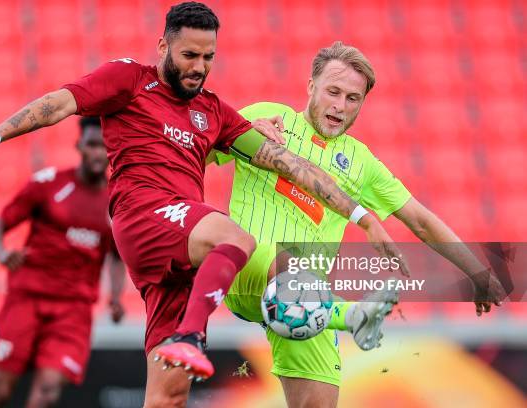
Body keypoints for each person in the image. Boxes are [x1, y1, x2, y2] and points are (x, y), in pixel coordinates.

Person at [0, 3, 402, 406]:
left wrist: (362, 216)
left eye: (208, 58)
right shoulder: (128, 79)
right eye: (189, 55)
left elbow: (292, 165)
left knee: (169, 395)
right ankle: (192, 335)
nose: (199, 67)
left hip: (178, 251)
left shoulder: (215, 112)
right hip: (143, 219)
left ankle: (194, 339)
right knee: (237, 236)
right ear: (163, 45)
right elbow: (59, 103)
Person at [213, 41, 506, 408]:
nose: (340, 106)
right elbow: (199, 150)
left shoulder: (362, 163)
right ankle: (351, 314)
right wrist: (229, 135)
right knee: (288, 263)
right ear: (310, 86)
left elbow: (420, 220)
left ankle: (341, 314)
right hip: (246, 268)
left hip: (309, 300)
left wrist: (478, 273)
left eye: (353, 98)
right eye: (332, 92)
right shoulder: (269, 117)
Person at [0, 117, 125, 407]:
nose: (98, 153)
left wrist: (115, 297)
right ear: (79, 146)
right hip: (27, 298)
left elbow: (117, 256)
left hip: (73, 309)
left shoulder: (116, 202)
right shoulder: (48, 184)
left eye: (104, 147)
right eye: (92, 145)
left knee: (48, 391)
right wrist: (3, 254)